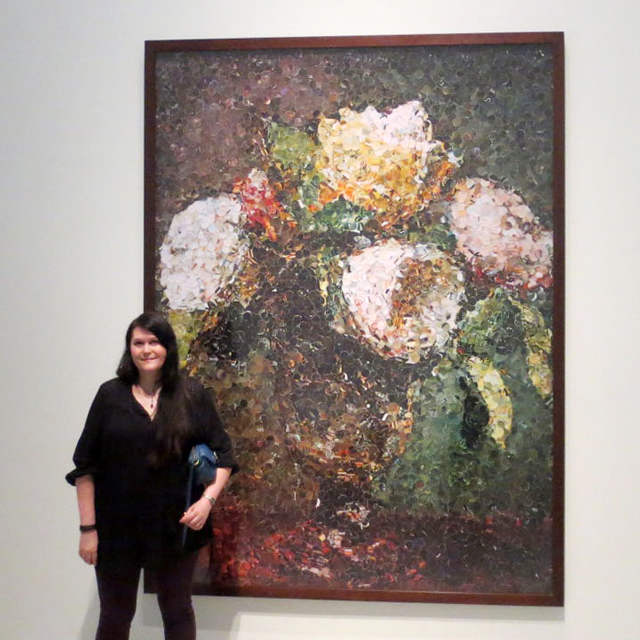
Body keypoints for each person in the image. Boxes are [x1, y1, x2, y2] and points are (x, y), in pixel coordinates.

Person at [66, 312, 238, 640]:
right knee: (115, 615)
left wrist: (207, 501)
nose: (146, 350)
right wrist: (88, 530)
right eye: (138, 343)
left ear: (168, 347)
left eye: (154, 342)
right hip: (117, 529)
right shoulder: (109, 396)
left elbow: (224, 456)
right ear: (129, 349)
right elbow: (85, 466)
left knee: (177, 611)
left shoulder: (191, 394)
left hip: (177, 525)